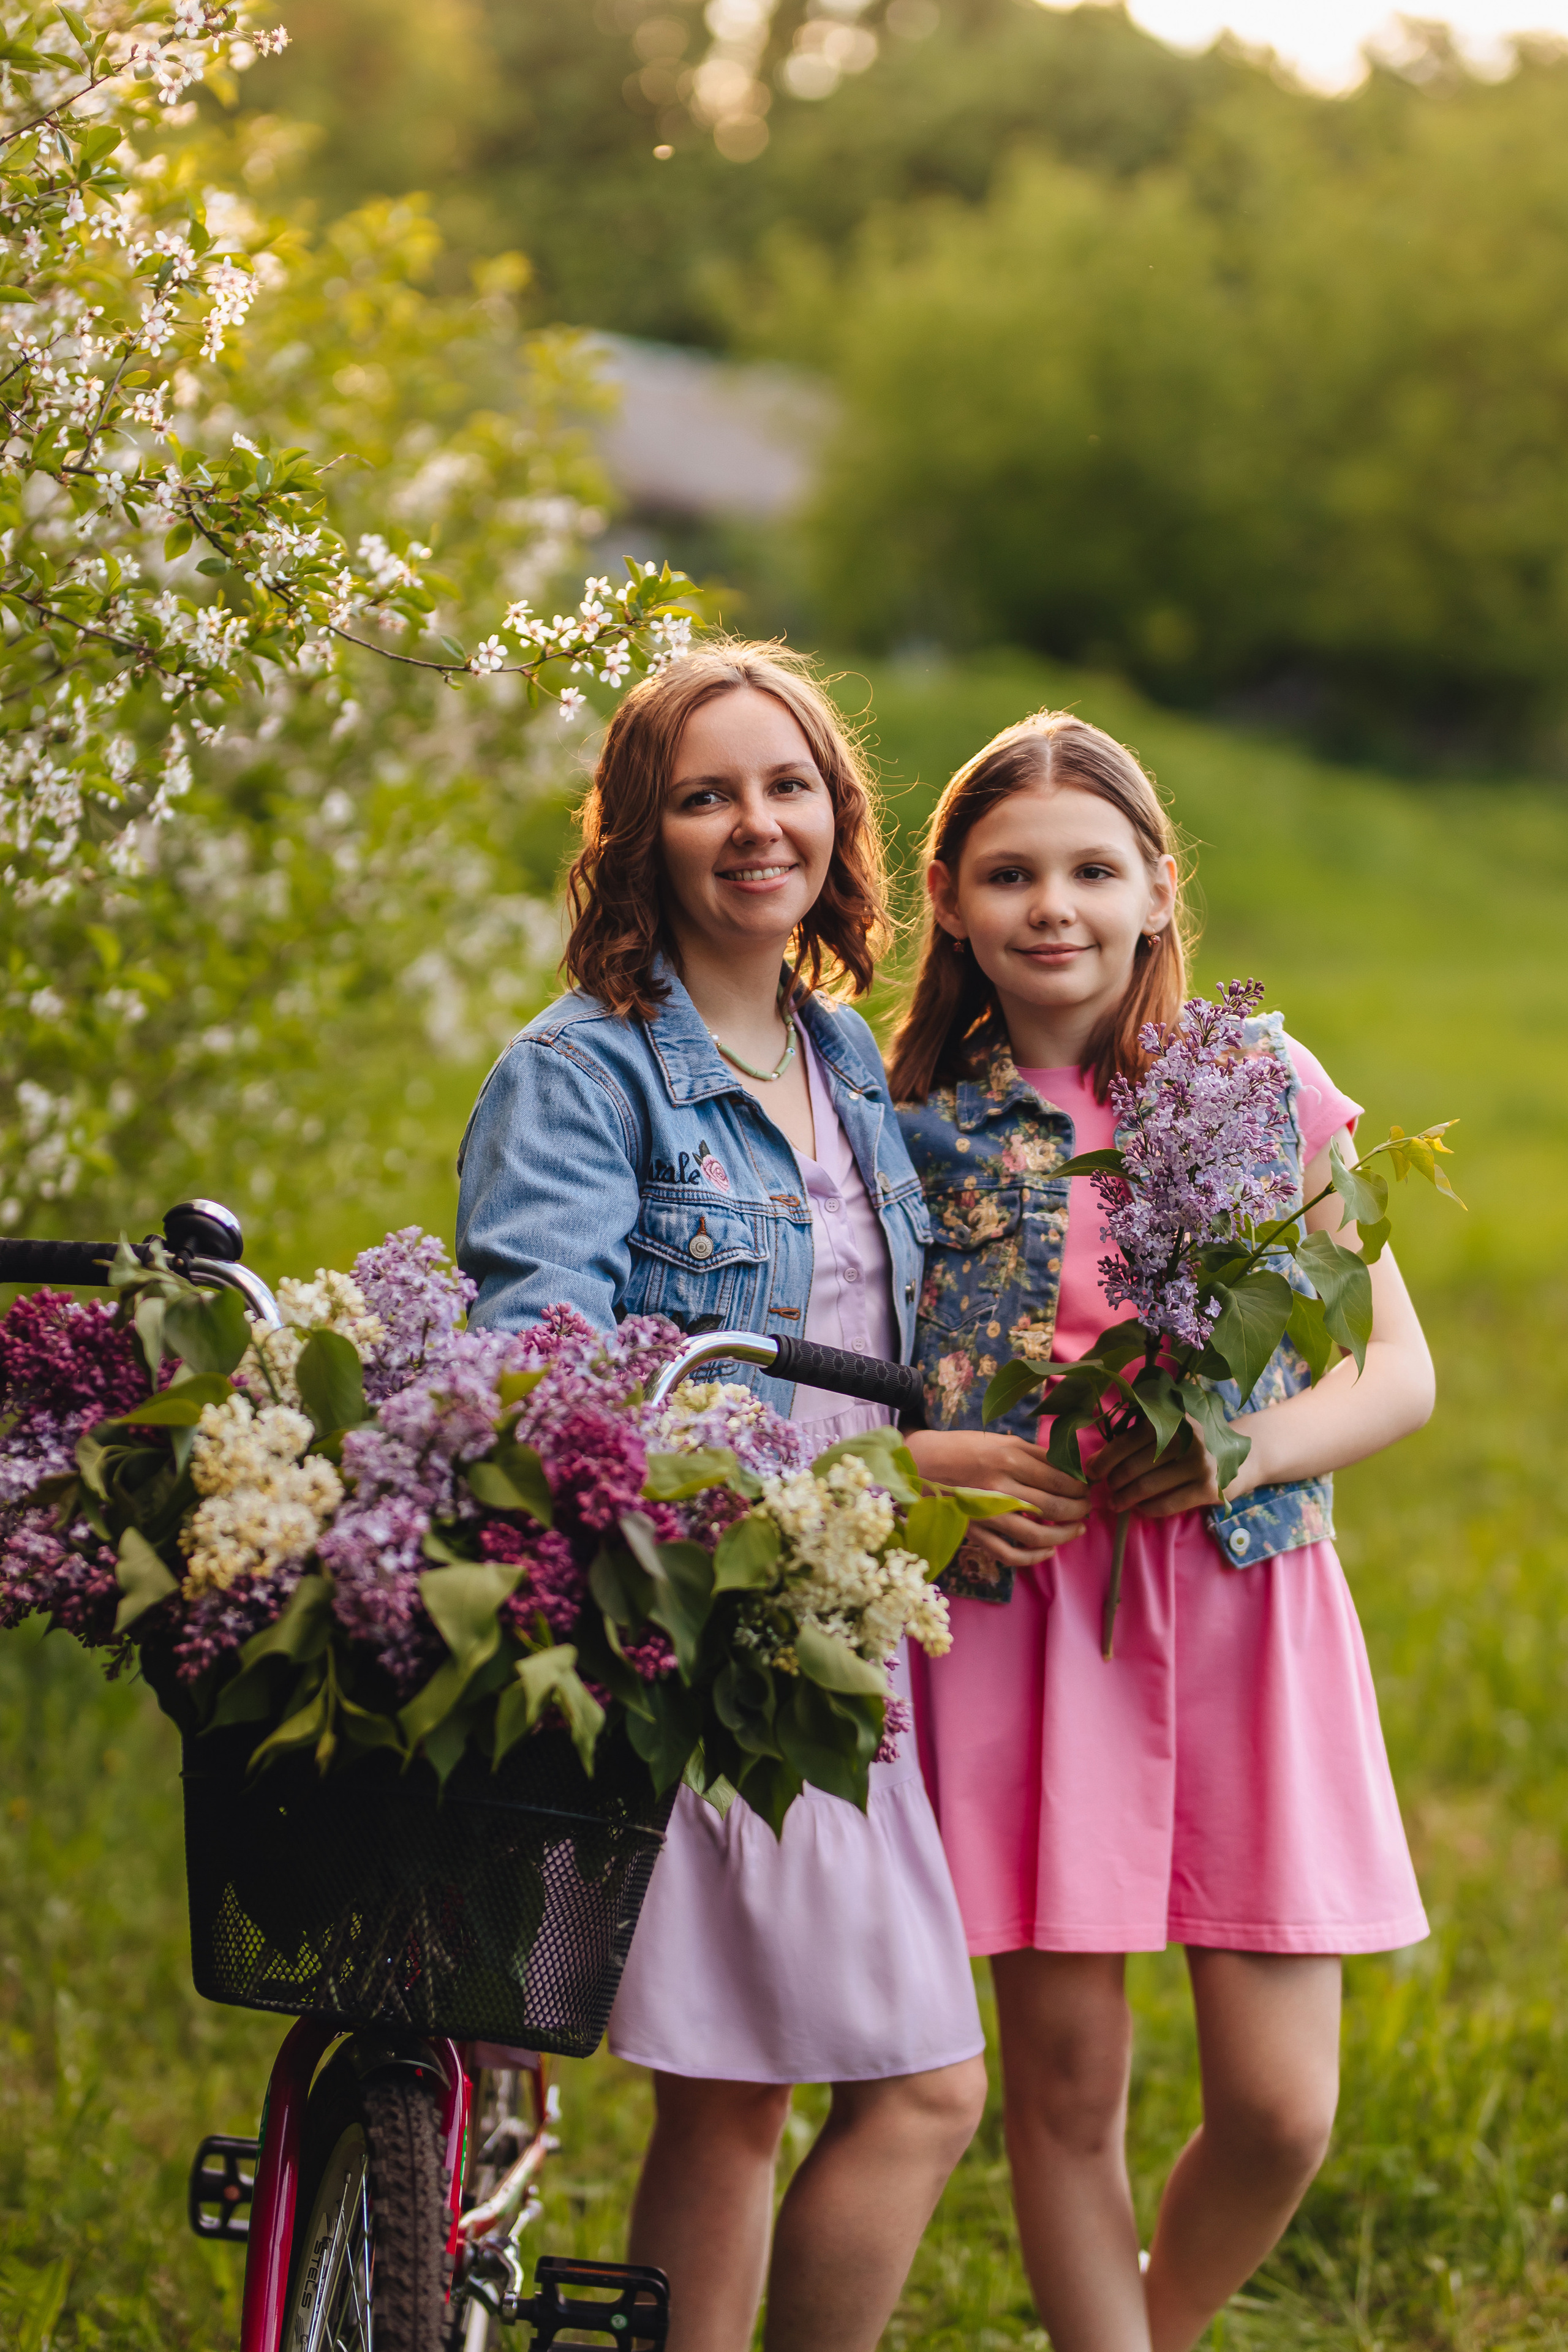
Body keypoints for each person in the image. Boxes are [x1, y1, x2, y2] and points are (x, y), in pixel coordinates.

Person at [454, 641, 988, 2352]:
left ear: (839, 816)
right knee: (892, 2091)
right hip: (700, 1634)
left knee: (749, 2099)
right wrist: (871, 1476)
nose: (757, 826)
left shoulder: (840, 1056)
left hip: (840, 1642)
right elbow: (552, 1379)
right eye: (705, 796)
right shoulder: (583, 1070)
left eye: (789, 787)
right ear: (639, 835)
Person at [884, 710, 1434, 2352]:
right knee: (1067, 2088)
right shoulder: (921, 1119)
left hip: (1245, 1612)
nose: (1054, 905)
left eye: (1091, 869)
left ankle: (1154, 2319)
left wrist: (1238, 1450)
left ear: (1154, 888)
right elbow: (870, 1384)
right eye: (1012, 874)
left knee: (1280, 2108)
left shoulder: (1260, 1087)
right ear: (956, 904)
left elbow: (1397, 1370)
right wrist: (934, 1469)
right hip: (1030, 1632)